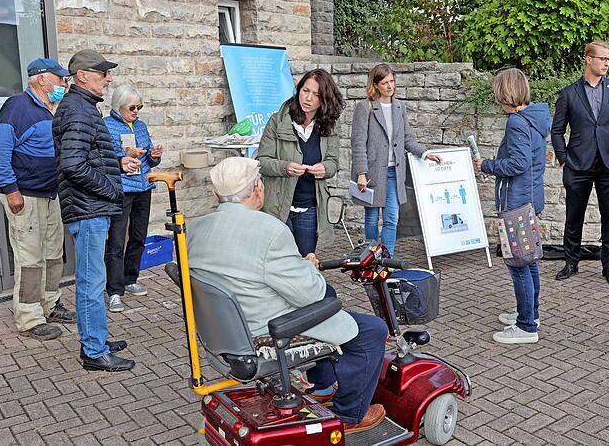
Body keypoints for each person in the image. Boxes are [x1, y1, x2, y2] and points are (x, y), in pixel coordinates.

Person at [187, 157, 388, 432]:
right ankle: (350, 415)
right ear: (259, 189)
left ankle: (322, 385)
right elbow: (312, 293)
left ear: (215, 194)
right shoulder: (270, 231)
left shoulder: (195, 230)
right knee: (372, 330)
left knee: (329, 299)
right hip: (266, 334)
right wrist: (309, 268)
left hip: (223, 333)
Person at [54, 49, 137, 372]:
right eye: (102, 73)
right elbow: (73, 165)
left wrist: (115, 163)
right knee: (91, 281)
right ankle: (93, 350)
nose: (108, 79)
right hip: (88, 208)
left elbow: (83, 156)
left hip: (89, 206)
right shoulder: (77, 110)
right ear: (83, 76)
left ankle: (96, 337)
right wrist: (109, 186)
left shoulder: (81, 108)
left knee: (92, 277)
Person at [0, 58, 76, 341]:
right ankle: (28, 315)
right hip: (25, 195)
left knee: (52, 253)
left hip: (50, 194)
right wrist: (11, 190)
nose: (64, 84)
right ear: (41, 79)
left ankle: (50, 303)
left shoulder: (52, 109)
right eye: (60, 79)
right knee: (30, 257)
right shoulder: (17, 107)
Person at [473, 68, 551, 344]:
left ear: (504, 92)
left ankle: (527, 326)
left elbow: (518, 163)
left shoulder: (517, 122)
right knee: (528, 262)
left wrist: (488, 165)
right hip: (528, 198)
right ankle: (529, 313)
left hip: (516, 202)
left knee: (519, 264)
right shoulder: (534, 118)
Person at [551, 40, 609, 286]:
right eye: (602, 58)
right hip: (577, 165)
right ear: (588, 59)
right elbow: (557, 131)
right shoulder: (569, 93)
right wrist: (563, 159)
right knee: (573, 216)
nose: (607, 63)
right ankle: (570, 262)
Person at [351, 63, 442, 256]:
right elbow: (358, 142)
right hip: (372, 173)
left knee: (392, 218)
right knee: (372, 218)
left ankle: (388, 260)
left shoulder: (399, 107)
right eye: (385, 82)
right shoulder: (364, 107)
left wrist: (425, 153)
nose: (390, 86)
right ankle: (372, 258)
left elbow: (407, 139)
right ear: (375, 85)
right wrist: (361, 173)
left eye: (392, 81)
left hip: (394, 172)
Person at [256, 69, 343, 256]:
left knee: (306, 261)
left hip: (309, 207)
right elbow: (261, 162)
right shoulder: (277, 121)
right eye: (305, 91)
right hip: (278, 206)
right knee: (278, 261)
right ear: (298, 90)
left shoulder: (328, 126)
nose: (308, 98)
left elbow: (333, 162)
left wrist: (325, 168)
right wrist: (284, 167)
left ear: (325, 99)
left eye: (316, 94)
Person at [103, 84, 163, 313]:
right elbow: (105, 159)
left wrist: (155, 157)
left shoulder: (141, 126)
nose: (136, 111)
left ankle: (130, 279)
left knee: (138, 236)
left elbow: (149, 160)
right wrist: (124, 155)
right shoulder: (107, 126)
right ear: (119, 107)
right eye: (132, 107)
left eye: (140, 107)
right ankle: (115, 290)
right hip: (121, 189)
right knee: (117, 240)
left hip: (143, 187)